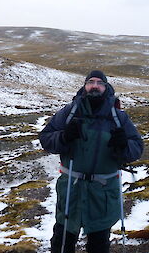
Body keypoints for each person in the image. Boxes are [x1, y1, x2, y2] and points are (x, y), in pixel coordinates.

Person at [39, 70, 143, 253]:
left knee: (99, 245)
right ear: (85, 86)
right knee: (62, 241)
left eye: (99, 83)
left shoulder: (119, 118)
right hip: (72, 190)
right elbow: (46, 138)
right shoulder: (69, 112)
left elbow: (137, 149)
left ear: (106, 87)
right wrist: (64, 137)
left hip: (102, 194)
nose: (95, 86)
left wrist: (123, 145)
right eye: (91, 82)